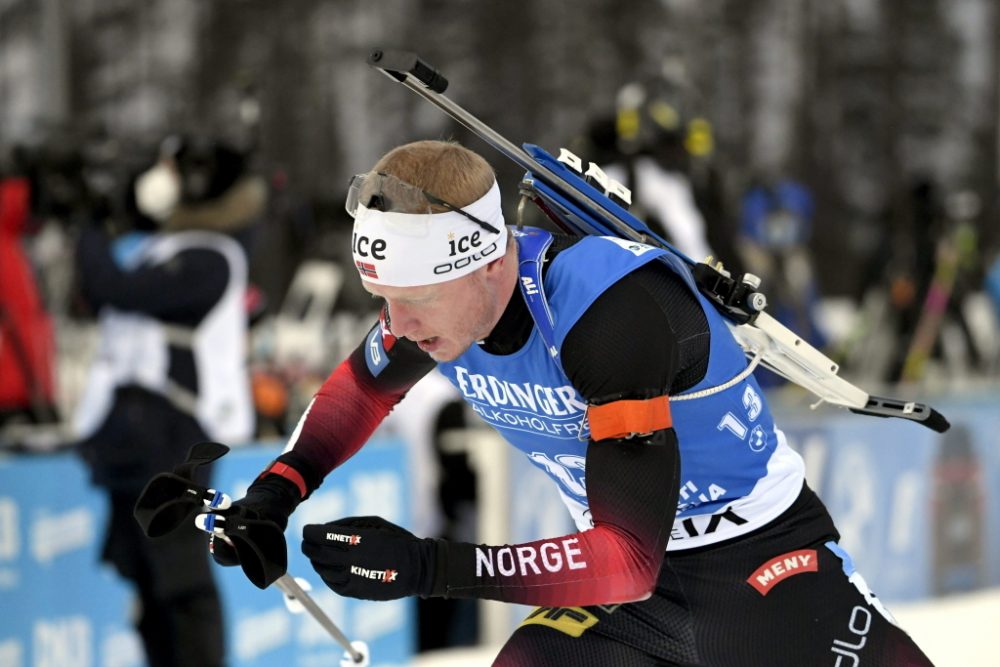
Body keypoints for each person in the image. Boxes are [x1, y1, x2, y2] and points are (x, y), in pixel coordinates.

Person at [203, 140, 932, 665]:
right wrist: (275, 491)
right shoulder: (437, 312)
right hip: (630, 608)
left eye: (414, 300)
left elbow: (628, 557)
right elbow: (355, 395)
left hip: (762, 574)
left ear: (489, 263)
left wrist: (430, 567)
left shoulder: (609, 312)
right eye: (381, 301)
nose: (396, 328)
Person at [76, 136, 260, 667]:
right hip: (138, 431)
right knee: (147, 577)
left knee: (180, 580)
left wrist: (92, 222)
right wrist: (123, 203)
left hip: (176, 437)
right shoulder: (169, 247)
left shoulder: (212, 257)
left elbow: (113, 287)